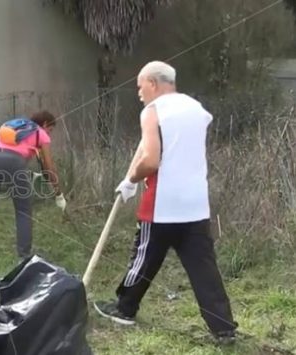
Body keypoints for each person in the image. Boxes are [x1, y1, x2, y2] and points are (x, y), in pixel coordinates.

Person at [93, 61, 238, 344]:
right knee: (203, 266)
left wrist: (132, 180)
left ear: (153, 83)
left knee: (144, 257)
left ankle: (124, 309)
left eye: (140, 86)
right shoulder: (196, 109)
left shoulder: (152, 111)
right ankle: (223, 328)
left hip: (162, 203)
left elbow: (151, 160)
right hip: (195, 204)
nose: (138, 93)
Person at [0, 110, 66, 259]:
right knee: (23, 210)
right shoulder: (41, 133)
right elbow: (49, 166)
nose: (50, 134)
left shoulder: (15, 126)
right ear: (45, 124)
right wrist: (59, 194)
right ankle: (25, 255)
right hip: (13, 161)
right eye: (51, 130)